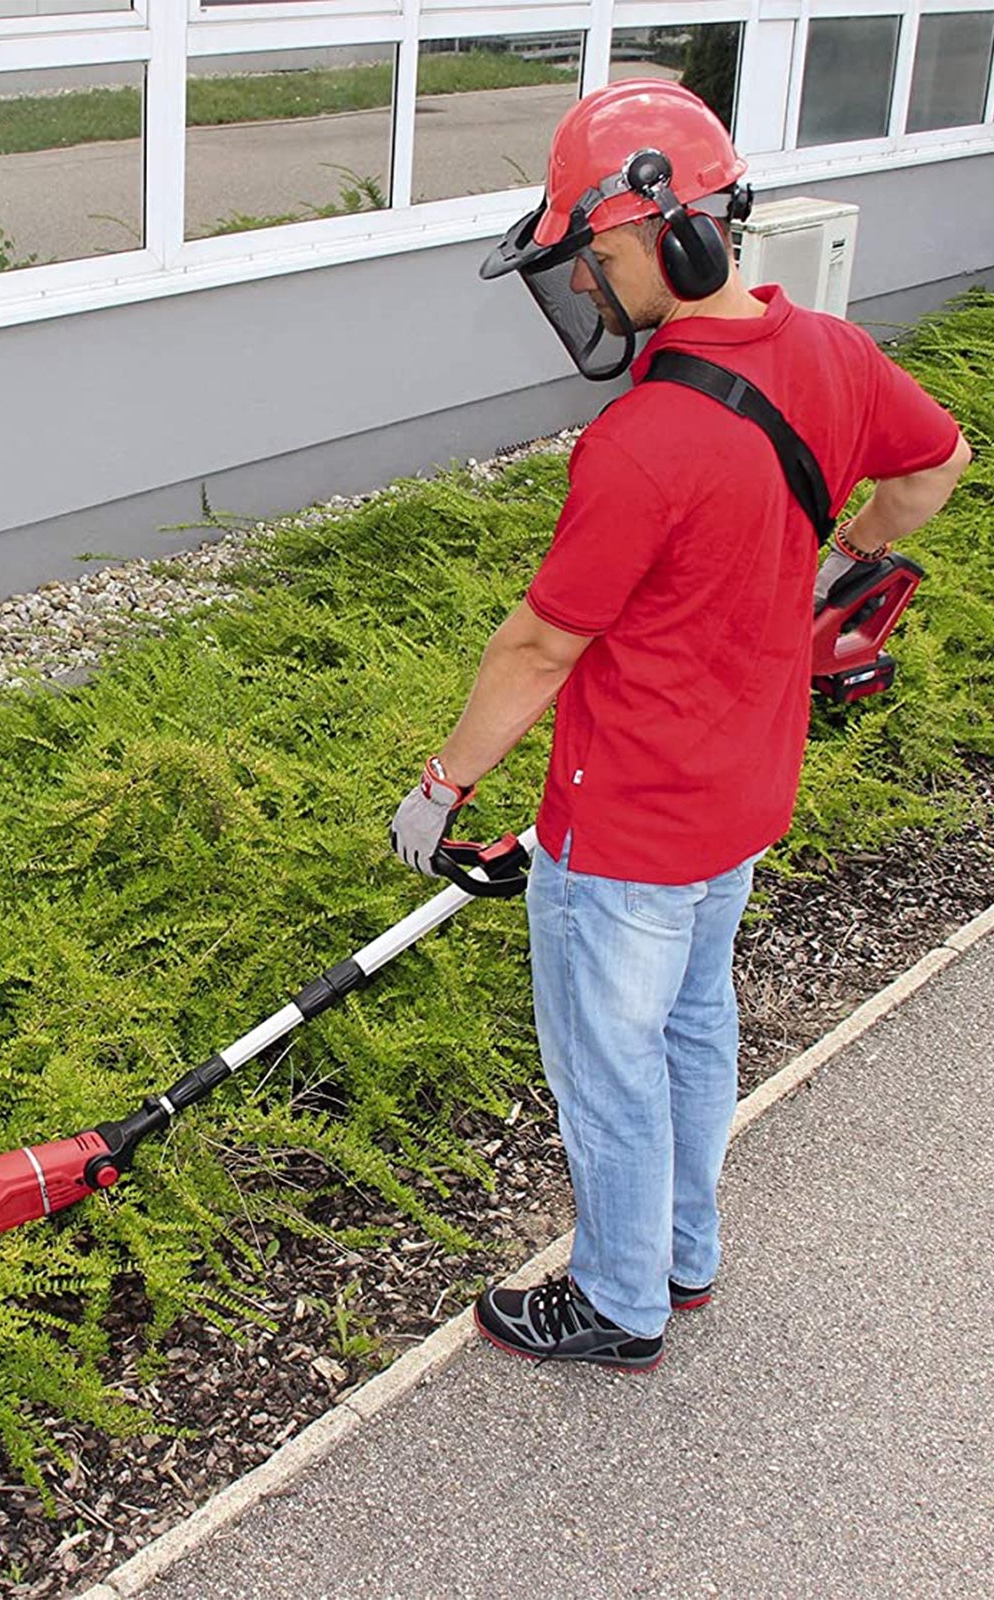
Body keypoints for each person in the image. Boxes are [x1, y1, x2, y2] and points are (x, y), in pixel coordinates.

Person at [389, 79, 972, 1371]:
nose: (588, 287)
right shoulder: (834, 354)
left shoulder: (643, 442)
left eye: (594, 256)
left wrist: (440, 791)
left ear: (677, 237)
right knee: (696, 1023)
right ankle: (685, 1253)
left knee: (609, 1069)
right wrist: (843, 559)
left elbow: (541, 643)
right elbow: (939, 463)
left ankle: (617, 1302)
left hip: (628, 824)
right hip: (745, 798)